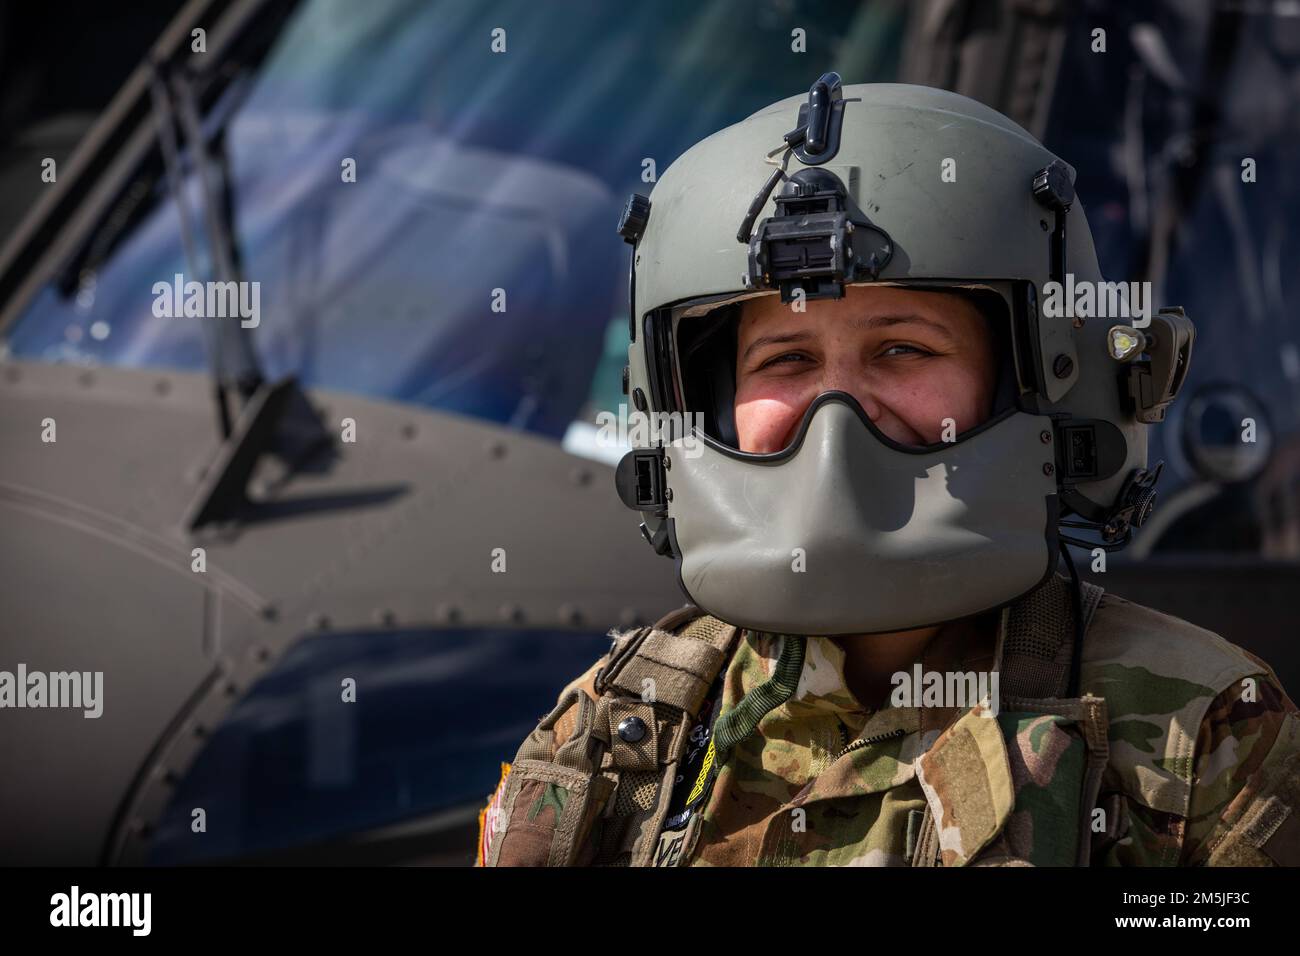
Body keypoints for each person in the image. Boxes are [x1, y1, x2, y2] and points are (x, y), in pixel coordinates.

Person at [477, 76, 1300, 867]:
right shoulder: (620, 725)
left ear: (1045, 379)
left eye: (902, 349)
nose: (839, 412)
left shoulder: (1197, 735)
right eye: (786, 357)